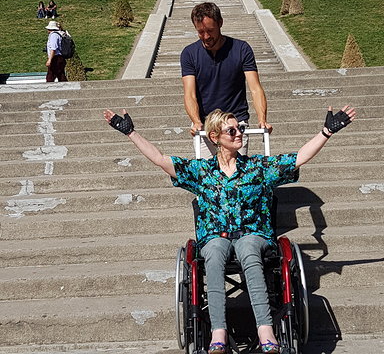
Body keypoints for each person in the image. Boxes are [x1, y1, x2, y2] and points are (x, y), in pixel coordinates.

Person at [103, 104, 355, 354]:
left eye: (240, 129)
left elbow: (299, 158)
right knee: (212, 253)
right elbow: (160, 160)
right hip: (215, 236)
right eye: (231, 131)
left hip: (253, 234)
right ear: (215, 138)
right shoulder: (202, 172)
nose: (239, 134)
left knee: (247, 248)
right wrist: (130, 132)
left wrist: (326, 132)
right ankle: (218, 332)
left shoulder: (258, 168)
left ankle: (265, 329)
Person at [180, 2, 271, 158]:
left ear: (220, 23)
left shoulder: (242, 49)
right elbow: (190, 94)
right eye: (201, 32)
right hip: (206, 125)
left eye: (210, 30)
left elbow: (255, 88)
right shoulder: (189, 54)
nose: (206, 37)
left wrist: (262, 119)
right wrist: (196, 121)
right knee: (207, 178)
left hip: (235, 123)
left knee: (237, 176)